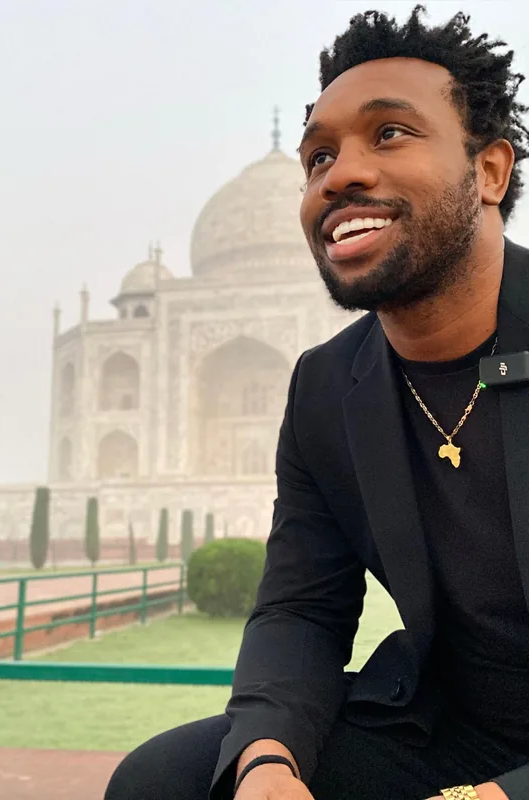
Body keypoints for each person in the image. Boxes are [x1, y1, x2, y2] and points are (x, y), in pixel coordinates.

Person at [105, 6, 529, 800]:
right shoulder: (328, 387)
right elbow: (302, 606)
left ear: (490, 173)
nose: (339, 174)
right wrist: (267, 760)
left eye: (390, 134)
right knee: (166, 781)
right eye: (320, 157)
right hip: (451, 724)